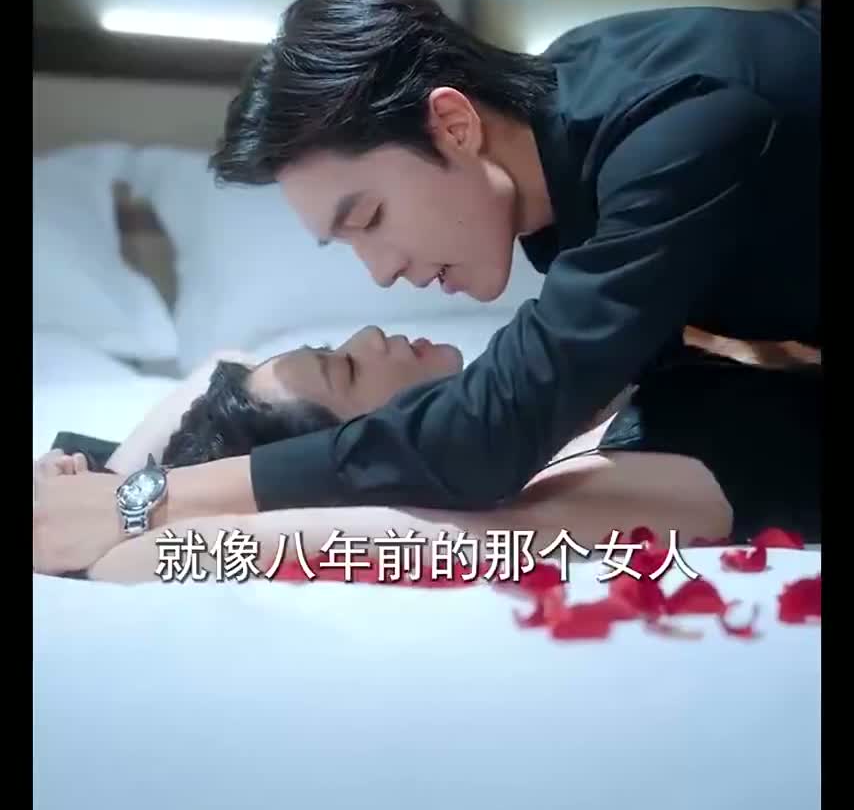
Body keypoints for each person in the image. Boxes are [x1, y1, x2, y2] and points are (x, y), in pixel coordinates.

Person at [32, 0, 820, 575]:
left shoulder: (676, 133)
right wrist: (108, 478)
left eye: (369, 218)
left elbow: (482, 440)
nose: (381, 276)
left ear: (454, 123)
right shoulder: (564, 125)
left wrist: (144, 502)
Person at [37, 322, 820, 584]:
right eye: (345, 369)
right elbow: (149, 558)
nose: (369, 333)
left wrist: (117, 481)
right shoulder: (588, 486)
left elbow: (224, 360)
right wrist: (127, 514)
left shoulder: (546, 393)